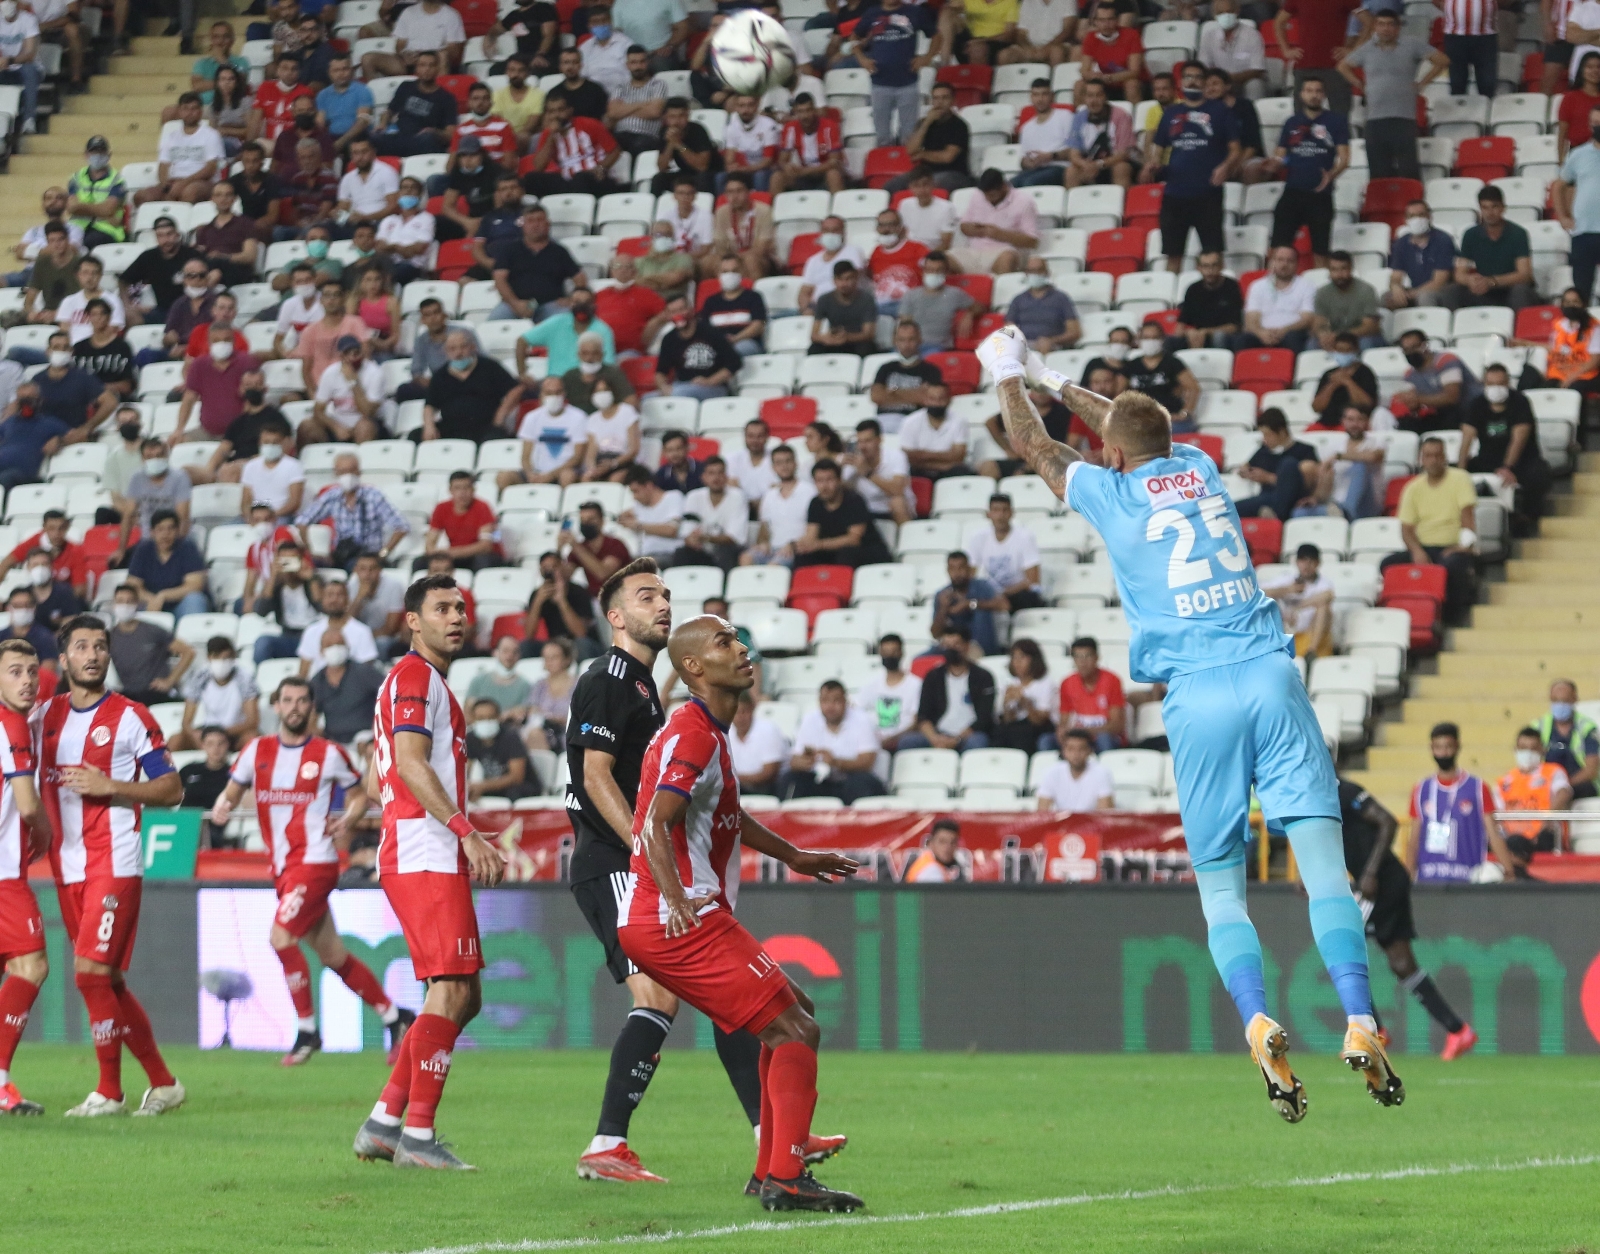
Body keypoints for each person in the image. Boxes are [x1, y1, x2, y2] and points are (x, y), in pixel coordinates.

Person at [980, 323, 1398, 1116]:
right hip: (1271, 675)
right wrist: (1055, 375)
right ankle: (1357, 1018)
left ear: (1110, 453)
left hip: (1197, 696)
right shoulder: (1201, 467)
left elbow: (1036, 448)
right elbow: (1129, 422)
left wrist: (1009, 374)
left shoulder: (1110, 489)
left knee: (1222, 891)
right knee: (1323, 868)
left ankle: (1258, 1019)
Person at [619, 613, 859, 1209]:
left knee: (794, 1015)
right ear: (695, 667)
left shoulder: (704, 730)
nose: (743, 648)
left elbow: (726, 816)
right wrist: (676, 900)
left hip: (679, 914)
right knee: (797, 1028)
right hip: (678, 917)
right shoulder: (697, 734)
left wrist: (794, 855)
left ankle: (774, 1164)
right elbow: (655, 822)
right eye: (726, 642)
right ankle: (786, 1175)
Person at [562, 562, 750, 1179]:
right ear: (615, 616)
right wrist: (645, 855)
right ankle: (606, 1145)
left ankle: (775, 1137)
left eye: (667, 595)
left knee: (724, 997)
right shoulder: (609, 678)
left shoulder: (642, 685)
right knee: (660, 995)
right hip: (614, 860)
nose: (663, 604)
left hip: (634, 859)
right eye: (647, 597)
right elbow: (594, 777)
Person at [349, 576, 503, 1171]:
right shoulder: (417, 677)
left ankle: (386, 1123)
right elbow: (409, 763)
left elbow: (373, 779)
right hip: (426, 849)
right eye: (441, 608)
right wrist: (466, 832)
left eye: (461, 606)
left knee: (465, 995)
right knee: (453, 988)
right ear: (413, 620)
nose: (456, 617)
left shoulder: (411, 682)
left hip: (416, 847)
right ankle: (417, 1136)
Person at [209, 677, 409, 1066]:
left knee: (281, 938)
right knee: (334, 956)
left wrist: (348, 819)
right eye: (288, 700)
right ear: (277, 706)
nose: (295, 707)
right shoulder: (257, 751)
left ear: (311, 708)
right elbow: (232, 789)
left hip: (316, 862)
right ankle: (396, 1017)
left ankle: (307, 1030)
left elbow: (358, 795)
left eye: (302, 700)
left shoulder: (329, 753)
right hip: (283, 869)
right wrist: (222, 806)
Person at [38, 615, 185, 1118]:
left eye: (101, 646)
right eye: (82, 646)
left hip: (114, 861)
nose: (94, 654)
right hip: (66, 866)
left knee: (89, 975)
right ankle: (164, 1084)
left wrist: (112, 787)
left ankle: (110, 1092)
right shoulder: (46, 717)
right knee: (108, 982)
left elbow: (172, 790)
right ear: (64, 659)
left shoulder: (131, 716)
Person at [1336, 771, 1478, 1059]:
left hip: (1382, 881)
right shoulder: (1318, 798)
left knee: (1340, 947)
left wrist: (1371, 873)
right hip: (1384, 881)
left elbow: (1387, 821)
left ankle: (1372, 1032)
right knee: (1401, 963)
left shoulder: (1345, 792)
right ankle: (1458, 1030)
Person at [1149, 62, 1240, 274]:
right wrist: (1153, 163)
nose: (1193, 81)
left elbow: (1235, 149)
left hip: (1207, 193)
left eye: (1198, 77)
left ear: (1205, 82)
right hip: (1174, 195)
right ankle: (1171, 302)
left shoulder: (1220, 111)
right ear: (1181, 82)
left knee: (1214, 254)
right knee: (1173, 256)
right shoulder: (1171, 113)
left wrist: (1225, 167)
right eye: (1188, 77)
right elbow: (1159, 147)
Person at [1338, 8, 1446, 180]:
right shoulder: (1366, 49)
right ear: (1374, 27)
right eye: (1381, 24)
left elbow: (1442, 61)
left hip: (1404, 119)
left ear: (1398, 28)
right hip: (1374, 120)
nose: (1385, 28)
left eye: (1390, 24)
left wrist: (1423, 83)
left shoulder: (1412, 44)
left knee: (1408, 171)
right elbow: (1342, 66)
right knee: (1378, 173)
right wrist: (1359, 84)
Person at [1408, 722, 1521, 882]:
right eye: (1438, 747)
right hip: (1429, 879)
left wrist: (1509, 872)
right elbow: (1414, 839)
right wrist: (1409, 876)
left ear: (1457, 747)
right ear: (1431, 748)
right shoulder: (1421, 789)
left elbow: (1493, 833)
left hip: (1467, 879)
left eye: (1448, 746)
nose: (1443, 752)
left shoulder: (1477, 788)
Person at [1265, 77, 1349, 269]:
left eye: (1318, 91)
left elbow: (1344, 159)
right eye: (1309, 90)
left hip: (1321, 193)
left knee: (1321, 249)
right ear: (1301, 94)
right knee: (1278, 246)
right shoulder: (1291, 123)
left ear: (1324, 95)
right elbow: (1281, 157)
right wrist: (1271, 165)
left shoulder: (1336, 121)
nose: (1313, 95)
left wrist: (1331, 175)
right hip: (1293, 191)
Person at [1460, 363, 1551, 524]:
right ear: (1484, 384)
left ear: (1508, 384)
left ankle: (1528, 517)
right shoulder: (1477, 404)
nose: (1496, 388)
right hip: (1487, 459)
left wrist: (1507, 467)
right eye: (1491, 384)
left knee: (1538, 473)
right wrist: (1459, 472)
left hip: (1522, 461)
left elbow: (1519, 439)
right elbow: (1466, 440)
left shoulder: (1520, 402)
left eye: (1500, 384)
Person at [778, 679, 886, 804]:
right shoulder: (810, 720)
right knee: (791, 779)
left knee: (860, 782)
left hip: (852, 780)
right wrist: (805, 762)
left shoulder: (862, 721)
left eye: (836, 701)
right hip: (822, 781)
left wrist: (835, 762)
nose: (830, 706)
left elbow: (867, 762)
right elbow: (794, 761)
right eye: (825, 701)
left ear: (845, 701)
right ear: (819, 702)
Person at [296, 455, 410, 567]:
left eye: (351, 471)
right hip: (341, 554)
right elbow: (303, 521)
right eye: (342, 472)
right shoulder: (332, 496)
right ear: (336, 473)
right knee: (308, 565)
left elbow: (402, 526)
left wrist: (383, 554)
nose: (347, 476)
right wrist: (310, 551)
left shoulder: (373, 495)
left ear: (358, 472)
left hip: (369, 556)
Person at [1437, 185, 1537, 311]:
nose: (1490, 213)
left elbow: (1524, 274)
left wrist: (1492, 281)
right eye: (1485, 207)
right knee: (1450, 291)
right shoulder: (1470, 235)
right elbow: (1460, 274)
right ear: (1480, 209)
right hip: (1481, 291)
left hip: (1508, 291)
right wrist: (1471, 281)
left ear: (1503, 208)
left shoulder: (1518, 233)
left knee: (1521, 291)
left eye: (1494, 207)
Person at [900, 626, 995, 751]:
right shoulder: (933, 676)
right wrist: (934, 738)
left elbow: (984, 718)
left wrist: (957, 740)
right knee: (908, 742)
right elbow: (923, 716)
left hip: (969, 734)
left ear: (966, 646)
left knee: (977, 743)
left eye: (956, 644)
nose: (951, 649)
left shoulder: (983, 676)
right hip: (939, 733)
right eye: (946, 644)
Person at [422, 331, 524, 445]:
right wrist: (429, 426)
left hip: (486, 426)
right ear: (445, 352)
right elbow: (429, 405)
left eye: (463, 347)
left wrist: (501, 415)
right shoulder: (440, 375)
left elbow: (516, 389)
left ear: (472, 347)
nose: (458, 353)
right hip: (451, 427)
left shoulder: (489, 367)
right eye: (452, 349)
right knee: (416, 436)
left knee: (495, 440)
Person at [488, 207, 585, 322]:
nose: (535, 225)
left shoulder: (559, 251)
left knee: (566, 320)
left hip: (550, 305)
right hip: (514, 303)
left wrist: (571, 299)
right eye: (530, 221)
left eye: (539, 220)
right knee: (493, 322)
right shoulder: (510, 249)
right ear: (523, 225)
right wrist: (515, 303)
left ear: (548, 224)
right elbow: (499, 279)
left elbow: (580, 278)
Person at [105, 584, 194, 705]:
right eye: (120, 601)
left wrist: (170, 681)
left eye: (129, 602)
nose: (124, 606)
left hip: (156, 693)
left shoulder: (153, 630)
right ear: (114, 605)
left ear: (137, 604)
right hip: (129, 695)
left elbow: (188, 652)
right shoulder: (109, 637)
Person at [797, 458, 892, 569]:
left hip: (866, 551)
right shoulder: (815, 503)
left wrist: (819, 544)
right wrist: (799, 545)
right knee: (802, 556)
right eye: (819, 481)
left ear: (839, 480)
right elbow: (811, 535)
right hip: (832, 551)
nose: (824, 486)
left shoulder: (854, 500)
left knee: (847, 554)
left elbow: (853, 539)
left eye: (829, 480)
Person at [136, 92, 225, 207]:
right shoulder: (170, 136)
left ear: (200, 112)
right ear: (179, 111)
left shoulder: (211, 135)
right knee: (141, 196)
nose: (190, 113)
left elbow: (210, 169)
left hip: (202, 182)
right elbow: (163, 165)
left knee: (189, 193)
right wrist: (165, 185)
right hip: (174, 181)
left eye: (194, 109)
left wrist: (183, 183)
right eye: (186, 109)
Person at [1498, 725, 1574, 860]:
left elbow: (1564, 792)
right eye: (1523, 748)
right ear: (1515, 750)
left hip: (1543, 835)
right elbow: (1496, 811)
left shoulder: (1553, 772)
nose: (1527, 753)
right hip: (1513, 839)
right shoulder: (1504, 781)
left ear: (1542, 750)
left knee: (1546, 836)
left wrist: (1547, 817)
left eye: (1533, 748)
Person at [174, 636, 258, 751]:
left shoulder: (244, 678)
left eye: (226, 658)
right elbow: (186, 723)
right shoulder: (200, 678)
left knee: (252, 738)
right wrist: (197, 736)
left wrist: (221, 733)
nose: (222, 662)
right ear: (209, 657)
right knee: (175, 741)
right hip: (207, 731)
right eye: (217, 657)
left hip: (235, 732)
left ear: (233, 657)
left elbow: (252, 721)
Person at [950, 170, 1038, 277]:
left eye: (992, 195)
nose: (988, 199)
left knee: (1007, 258)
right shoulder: (977, 195)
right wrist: (975, 230)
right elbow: (963, 226)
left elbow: (1032, 241)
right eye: (985, 195)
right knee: (944, 259)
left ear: (1004, 187)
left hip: (1002, 252)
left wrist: (999, 234)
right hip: (974, 251)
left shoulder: (1024, 201)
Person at [124, 510, 208, 621]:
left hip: (180, 605)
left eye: (171, 529)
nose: (165, 534)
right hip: (151, 605)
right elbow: (132, 585)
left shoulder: (188, 548)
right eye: (160, 529)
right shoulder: (143, 550)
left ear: (177, 531)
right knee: (126, 601)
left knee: (195, 599)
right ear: (152, 532)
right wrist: (151, 599)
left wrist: (163, 596)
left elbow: (195, 585)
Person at [1310, 404, 1388, 521]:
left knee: (1359, 465)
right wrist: (1315, 498)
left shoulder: (1376, 443)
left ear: (1366, 421)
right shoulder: (1335, 447)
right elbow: (1324, 485)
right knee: (1300, 512)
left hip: (1367, 504)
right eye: (1350, 420)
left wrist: (1339, 456)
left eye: (1359, 419)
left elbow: (1372, 457)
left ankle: (1345, 513)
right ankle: (1341, 513)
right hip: (1335, 506)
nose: (1355, 424)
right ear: (1343, 421)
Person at [654, 295, 741, 400]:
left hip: (714, 388)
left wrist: (710, 381)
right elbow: (660, 372)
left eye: (681, 309)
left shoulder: (710, 332)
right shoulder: (669, 339)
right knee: (648, 399)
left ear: (691, 309)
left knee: (679, 392)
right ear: (668, 315)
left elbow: (735, 363)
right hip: (683, 385)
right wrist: (664, 387)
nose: (678, 315)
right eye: (673, 312)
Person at [1555, 102, 1600, 303]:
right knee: (1582, 290)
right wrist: (1563, 216)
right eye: (1594, 124)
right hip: (1584, 232)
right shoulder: (1578, 154)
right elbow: (1559, 186)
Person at [1235, 410, 1316, 519]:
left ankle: (1277, 515)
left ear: (1281, 432)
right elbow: (1245, 467)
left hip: (1292, 500)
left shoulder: (1304, 451)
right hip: (1266, 499)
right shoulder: (1264, 451)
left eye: (1268, 435)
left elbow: (1306, 482)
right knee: (1232, 509)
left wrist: (1268, 478)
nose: (1265, 440)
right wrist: (1246, 472)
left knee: (1288, 464)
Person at [1235, 246, 1317, 353]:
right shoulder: (1257, 286)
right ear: (1272, 262)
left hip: (1291, 333)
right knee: (1242, 340)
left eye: (1289, 261)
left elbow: (1307, 319)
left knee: (1293, 338)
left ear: (1297, 264)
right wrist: (1261, 333)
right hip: (1262, 333)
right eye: (1280, 260)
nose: (1284, 265)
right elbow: (1251, 319)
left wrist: (1284, 330)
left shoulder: (1307, 286)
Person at [892, 82, 971, 193]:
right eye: (936, 98)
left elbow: (947, 157)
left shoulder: (959, 126)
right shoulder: (924, 122)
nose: (940, 102)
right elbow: (910, 150)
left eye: (944, 98)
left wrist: (923, 154)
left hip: (955, 174)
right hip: (926, 174)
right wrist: (927, 123)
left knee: (931, 183)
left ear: (952, 101)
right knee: (893, 185)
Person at [517, 289, 615, 379]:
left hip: (588, 383)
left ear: (594, 305)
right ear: (570, 303)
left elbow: (608, 366)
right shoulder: (556, 323)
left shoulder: (603, 330)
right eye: (577, 302)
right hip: (556, 383)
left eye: (587, 302)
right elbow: (522, 341)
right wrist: (522, 374)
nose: (581, 306)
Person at [1123, 322, 1201, 434]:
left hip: (1170, 418)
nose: (1150, 341)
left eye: (1155, 337)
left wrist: (1185, 413)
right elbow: (1119, 393)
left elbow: (1194, 388)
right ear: (1139, 340)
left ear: (1162, 339)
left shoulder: (1172, 362)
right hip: (1141, 419)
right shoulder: (1132, 365)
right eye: (1146, 338)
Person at [1264, 543, 1335, 658]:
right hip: (1287, 631)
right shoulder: (1288, 580)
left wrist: (1296, 608)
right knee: (1266, 602)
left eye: (1311, 561)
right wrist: (1288, 590)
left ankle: (1311, 652)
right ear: (1296, 562)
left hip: (1310, 634)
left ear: (1318, 563)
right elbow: (1261, 593)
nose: (1306, 565)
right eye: (1303, 561)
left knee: (1323, 608)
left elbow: (1328, 596)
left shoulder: (1323, 583)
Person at [897, 253, 974, 352]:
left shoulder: (954, 294)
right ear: (923, 272)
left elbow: (978, 307)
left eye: (938, 270)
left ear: (946, 272)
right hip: (913, 346)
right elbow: (904, 324)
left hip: (939, 347)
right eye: (930, 270)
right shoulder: (911, 295)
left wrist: (969, 314)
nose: (934, 273)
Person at [425, 471, 501, 571]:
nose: (462, 493)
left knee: (482, 561)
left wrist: (452, 553)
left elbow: (486, 546)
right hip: (454, 555)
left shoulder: (483, 507)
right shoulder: (441, 508)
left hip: (482, 555)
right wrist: (436, 555)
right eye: (457, 488)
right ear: (450, 490)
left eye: (466, 488)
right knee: (421, 562)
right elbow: (430, 542)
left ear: (473, 489)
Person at [1537, 681, 1599, 801]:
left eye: (1564, 700)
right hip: (1547, 786)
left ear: (1575, 699)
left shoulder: (1586, 727)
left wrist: (1564, 786)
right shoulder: (1539, 727)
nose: (1560, 705)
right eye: (1555, 700)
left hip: (1581, 786)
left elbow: (1591, 770)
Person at [1173, 252, 1244, 349]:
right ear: (1198, 268)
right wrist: (1188, 332)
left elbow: (1235, 327)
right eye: (1205, 266)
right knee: (1171, 341)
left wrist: (1206, 332)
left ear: (1221, 266)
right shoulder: (1193, 289)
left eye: (1214, 265)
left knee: (1219, 337)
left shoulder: (1231, 287)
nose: (1210, 271)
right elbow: (1180, 325)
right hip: (1199, 336)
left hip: (1225, 336)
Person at [1035, 728, 1116, 810]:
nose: (1076, 754)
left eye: (1081, 749)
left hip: (1091, 822)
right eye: (1071, 749)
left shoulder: (1101, 773)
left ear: (1089, 751)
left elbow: (1104, 812)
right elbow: (1042, 811)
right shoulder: (1052, 773)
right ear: (1064, 751)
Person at [810, 261, 878, 358]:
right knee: (814, 349)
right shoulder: (824, 299)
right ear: (834, 281)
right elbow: (814, 335)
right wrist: (825, 338)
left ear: (856, 278)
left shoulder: (866, 299)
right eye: (840, 279)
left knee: (867, 348)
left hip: (857, 342)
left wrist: (847, 337)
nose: (844, 284)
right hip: (834, 341)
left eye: (848, 279)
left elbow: (868, 334)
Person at [181, 726, 236, 849]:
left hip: (215, 826)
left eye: (220, 743)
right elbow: (174, 795)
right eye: (210, 744)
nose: (216, 749)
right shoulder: (189, 770)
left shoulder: (234, 774)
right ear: (203, 745)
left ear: (227, 745)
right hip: (184, 822)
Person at [1077, 2, 1143, 102]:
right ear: (1095, 22)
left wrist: (1110, 78)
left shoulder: (1131, 35)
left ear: (1117, 20)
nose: (1106, 24)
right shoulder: (1090, 37)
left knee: (1131, 84)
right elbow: (1084, 71)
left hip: (1129, 81)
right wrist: (1094, 76)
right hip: (1105, 82)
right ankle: (1082, 117)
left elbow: (1134, 72)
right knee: (1079, 85)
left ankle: (1135, 116)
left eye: (1110, 19)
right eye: (1102, 20)